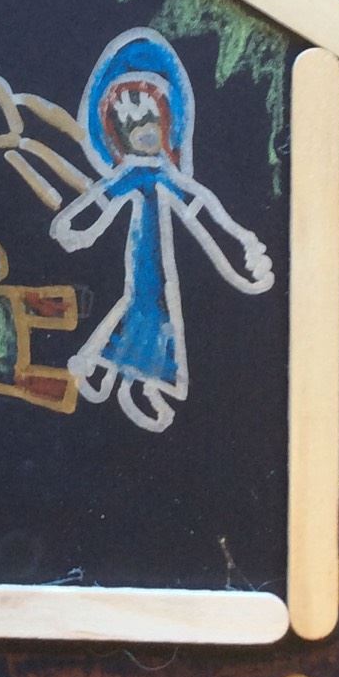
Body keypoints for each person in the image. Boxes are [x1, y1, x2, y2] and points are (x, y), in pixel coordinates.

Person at [51, 29, 273, 432]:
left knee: (151, 311)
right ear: (115, 134)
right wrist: (73, 226)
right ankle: (121, 372)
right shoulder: (132, 175)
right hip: (144, 274)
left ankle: (125, 373)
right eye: (128, 123)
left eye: (149, 118)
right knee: (146, 308)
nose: (142, 129)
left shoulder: (166, 177)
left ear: (169, 122)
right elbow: (98, 204)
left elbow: (203, 209)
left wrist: (242, 244)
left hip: (161, 280)